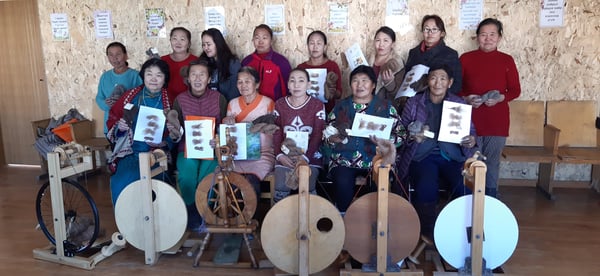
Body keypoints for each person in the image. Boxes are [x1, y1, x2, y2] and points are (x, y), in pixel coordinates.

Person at [397, 64, 477, 240]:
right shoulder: (414, 102)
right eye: (433, 78)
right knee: (426, 186)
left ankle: (459, 233)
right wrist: (412, 138)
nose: (437, 82)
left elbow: (470, 131)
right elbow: (400, 132)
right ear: (427, 81)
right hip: (422, 155)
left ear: (450, 82)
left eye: (442, 78)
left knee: (463, 186)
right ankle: (428, 232)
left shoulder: (459, 103)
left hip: (452, 156)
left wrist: (471, 140)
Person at [325, 65, 406, 213]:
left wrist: (386, 143)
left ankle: (374, 222)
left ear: (373, 85)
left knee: (379, 179)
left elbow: (401, 134)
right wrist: (332, 139)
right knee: (342, 180)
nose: (360, 85)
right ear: (350, 85)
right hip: (344, 159)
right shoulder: (341, 107)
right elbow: (327, 135)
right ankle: (343, 219)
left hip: (376, 159)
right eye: (355, 81)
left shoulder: (386, 107)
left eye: (364, 80)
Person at [459, 18, 521, 198]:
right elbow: (456, 89)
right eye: (483, 35)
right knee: (469, 161)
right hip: (471, 121)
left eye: (492, 34)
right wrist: (466, 98)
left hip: (496, 122)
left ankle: (491, 199)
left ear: (499, 37)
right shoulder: (466, 58)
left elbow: (515, 90)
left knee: (492, 163)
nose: (488, 38)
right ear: (477, 37)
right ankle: (468, 199)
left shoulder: (506, 60)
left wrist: (502, 97)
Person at [106, 58, 180, 206]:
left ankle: (154, 223)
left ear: (165, 78)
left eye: (159, 75)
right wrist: (120, 128)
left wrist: (164, 142)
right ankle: (127, 224)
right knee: (122, 180)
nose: (153, 79)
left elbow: (178, 133)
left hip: (157, 154)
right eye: (149, 74)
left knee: (155, 186)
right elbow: (113, 120)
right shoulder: (131, 96)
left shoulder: (171, 99)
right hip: (130, 152)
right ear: (143, 76)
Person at [172, 59, 227, 231]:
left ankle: (204, 210)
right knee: (187, 175)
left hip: (211, 149)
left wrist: (217, 137)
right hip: (187, 149)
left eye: (202, 74)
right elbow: (177, 131)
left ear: (209, 79)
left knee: (207, 177)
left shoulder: (219, 99)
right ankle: (191, 211)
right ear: (188, 78)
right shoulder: (180, 100)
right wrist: (175, 132)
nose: (197, 78)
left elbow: (224, 127)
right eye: (193, 74)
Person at [272, 68, 326, 203]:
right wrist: (280, 155)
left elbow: (318, 134)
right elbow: (276, 132)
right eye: (292, 81)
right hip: (285, 156)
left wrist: (304, 157)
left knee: (308, 181)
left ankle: (311, 219)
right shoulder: (280, 104)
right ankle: (279, 220)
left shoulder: (317, 105)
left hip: (310, 156)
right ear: (288, 84)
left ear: (308, 84)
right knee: (281, 183)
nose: (296, 85)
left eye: (301, 81)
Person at [222, 66, 275, 197]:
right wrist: (227, 121)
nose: (243, 85)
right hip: (237, 154)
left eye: (247, 81)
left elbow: (272, 132)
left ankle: (251, 216)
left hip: (261, 154)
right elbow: (228, 132)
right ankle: (234, 216)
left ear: (257, 84)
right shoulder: (232, 103)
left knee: (251, 182)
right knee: (231, 181)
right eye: (240, 82)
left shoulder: (268, 103)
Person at [404, 15, 462, 95]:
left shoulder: (450, 54)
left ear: (442, 33)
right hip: (414, 101)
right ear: (422, 32)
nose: (430, 33)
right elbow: (406, 79)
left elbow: (456, 85)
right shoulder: (413, 53)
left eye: (434, 29)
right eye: (426, 29)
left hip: (439, 101)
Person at [96, 42, 142, 134]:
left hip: (129, 124)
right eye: (111, 55)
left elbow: (142, 98)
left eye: (118, 54)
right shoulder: (105, 77)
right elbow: (99, 97)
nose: (115, 58)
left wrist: (125, 104)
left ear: (125, 56)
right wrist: (106, 104)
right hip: (110, 124)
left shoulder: (136, 75)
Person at [241, 24, 292, 102]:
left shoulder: (281, 62)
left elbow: (288, 88)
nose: (260, 41)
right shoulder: (246, 61)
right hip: (250, 106)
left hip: (274, 107)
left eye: (264, 38)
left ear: (271, 41)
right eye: (257, 38)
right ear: (253, 40)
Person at [297, 30, 343, 113]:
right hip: (305, 112)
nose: (315, 47)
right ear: (307, 46)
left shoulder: (332, 66)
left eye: (319, 43)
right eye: (312, 43)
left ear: (325, 47)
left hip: (327, 111)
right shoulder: (301, 67)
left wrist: (331, 91)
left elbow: (339, 94)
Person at [199, 28, 242, 102]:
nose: (206, 48)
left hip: (227, 106)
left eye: (209, 44)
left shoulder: (233, 63)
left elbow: (235, 92)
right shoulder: (203, 62)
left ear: (218, 44)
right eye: (203, 45)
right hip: (207, 106)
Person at [369, 26, 405, 108]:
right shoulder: (368, 60)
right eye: (378, 40)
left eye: (386, 40)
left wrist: (390, 84)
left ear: (392, 44)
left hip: (386, 107)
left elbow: (400, 96)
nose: (381, 44)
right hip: (367, 106)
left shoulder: (397, 63)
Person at [161, 27, 198, 105]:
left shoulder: (196, 62)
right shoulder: (162, 61)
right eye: (174, 39)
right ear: (170, 41)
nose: (178, 43)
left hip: (190, 104)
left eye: (182, 39)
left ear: (189, 44)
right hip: (166, 104)